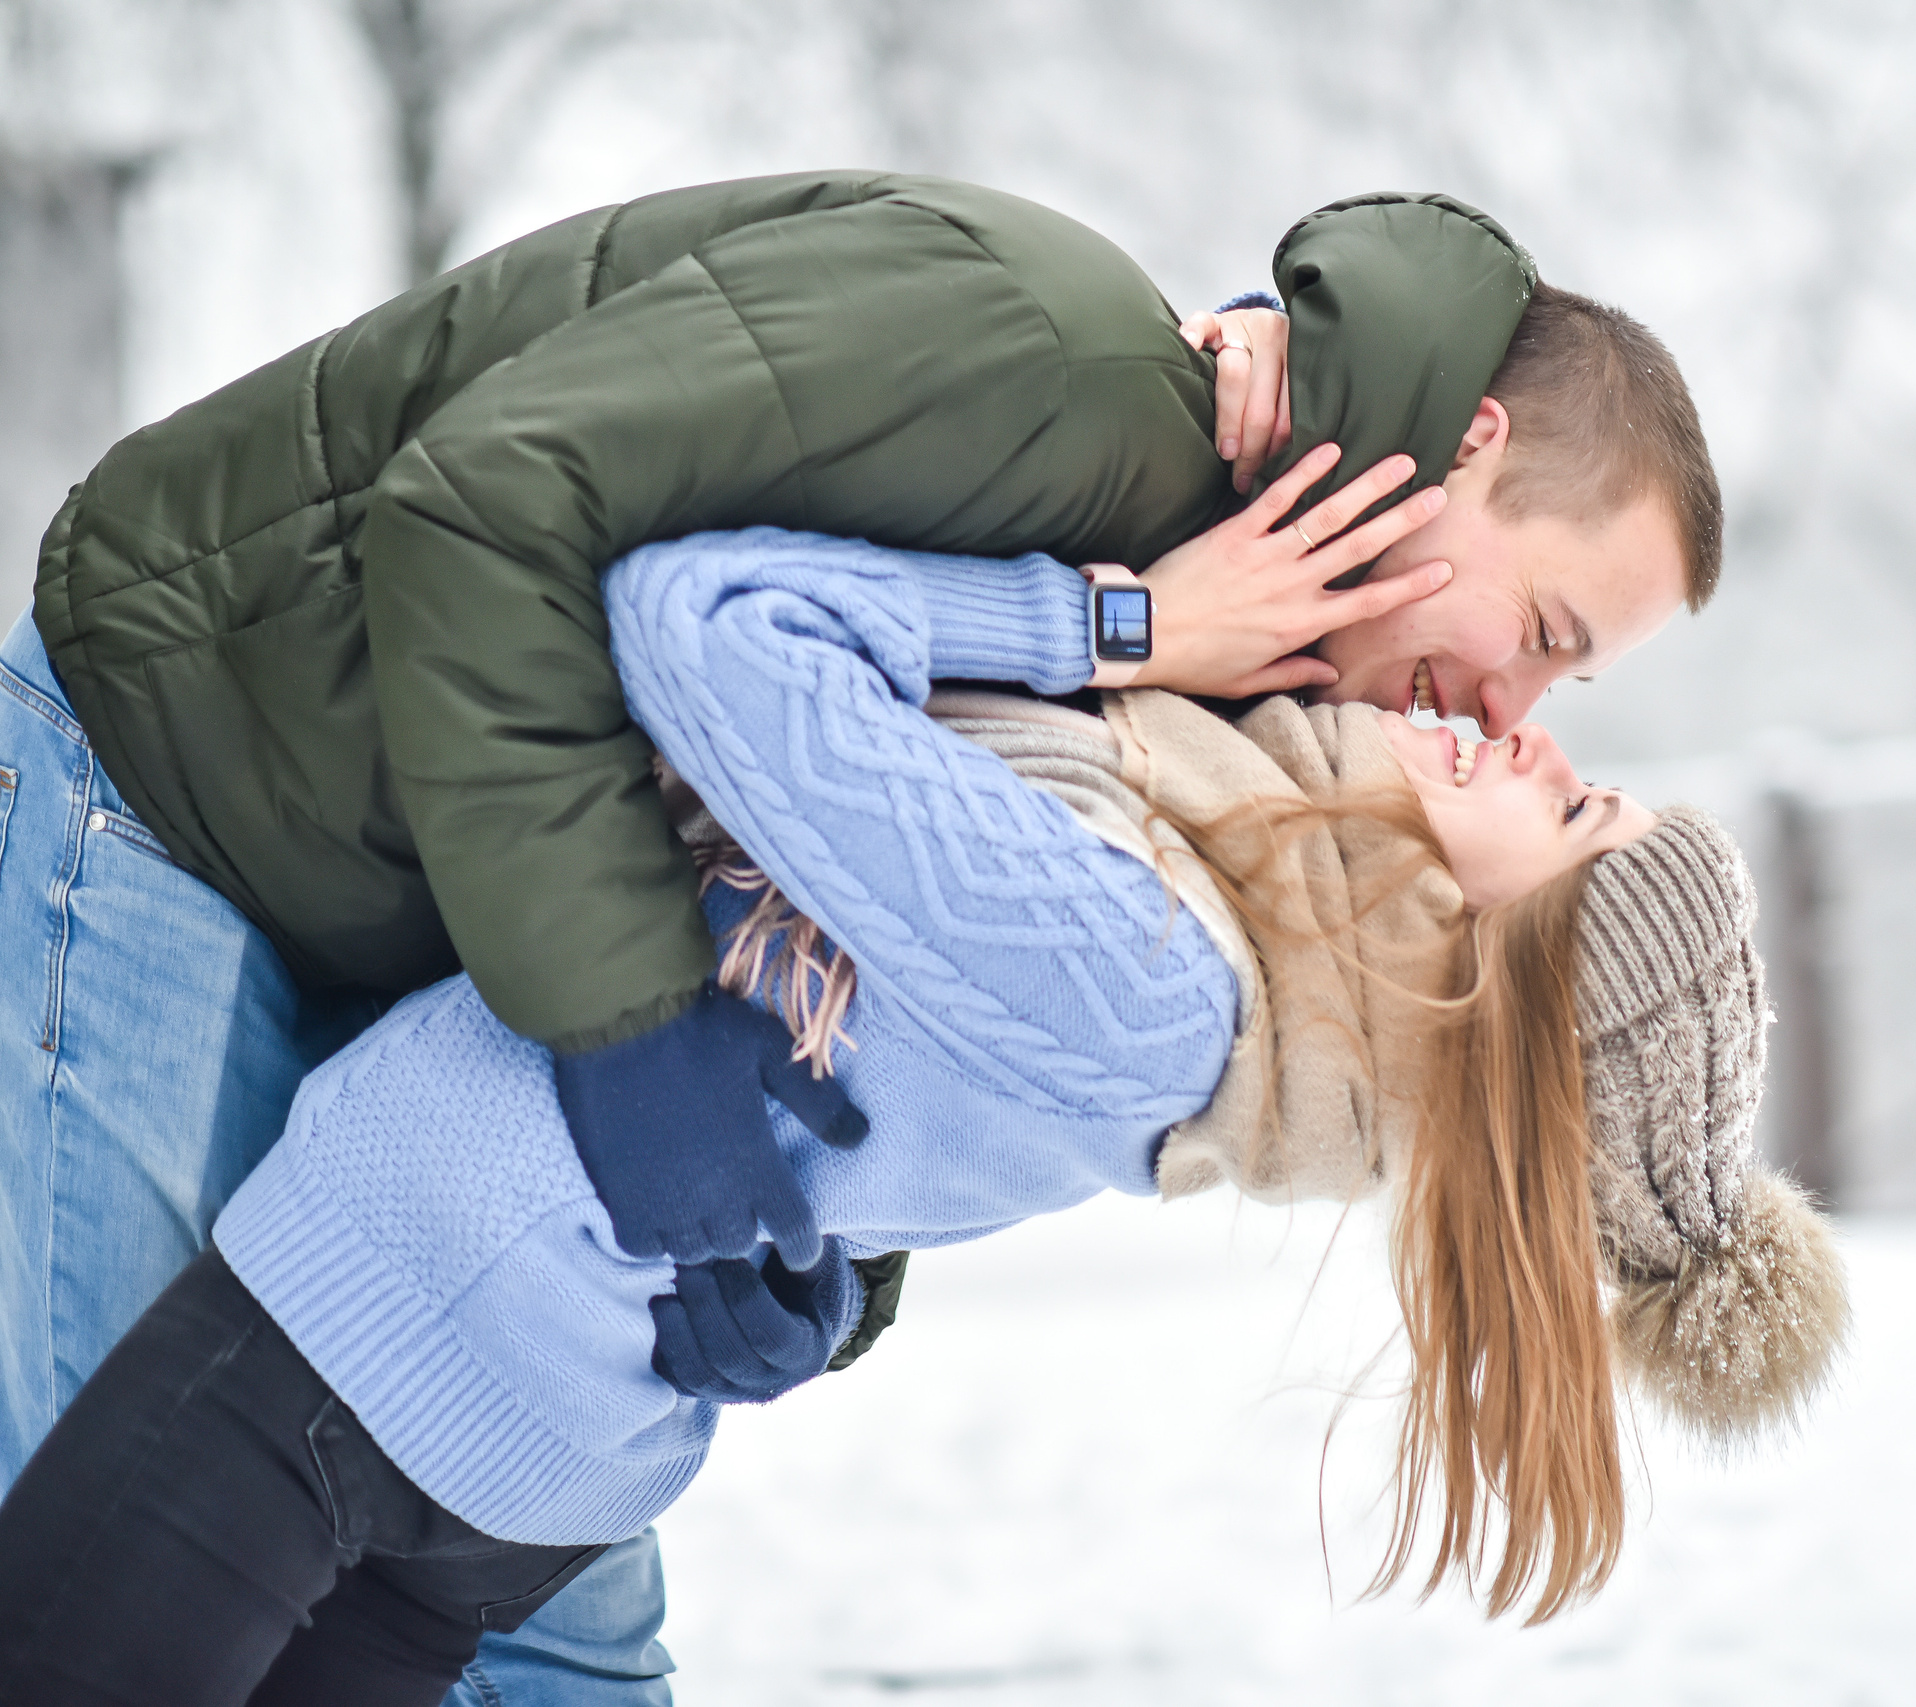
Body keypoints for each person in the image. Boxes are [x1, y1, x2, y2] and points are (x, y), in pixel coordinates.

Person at [3, 170, 1720, 1699]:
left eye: (1570, 694)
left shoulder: (1252, 693)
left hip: (447, 1006)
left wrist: (824, 1262)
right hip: (188, 774)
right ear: (1473, 453)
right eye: (1546, 630)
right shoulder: (1052, 364)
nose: (1522, 706)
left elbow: (905, 951)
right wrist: (635, 1036)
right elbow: (485, 513)